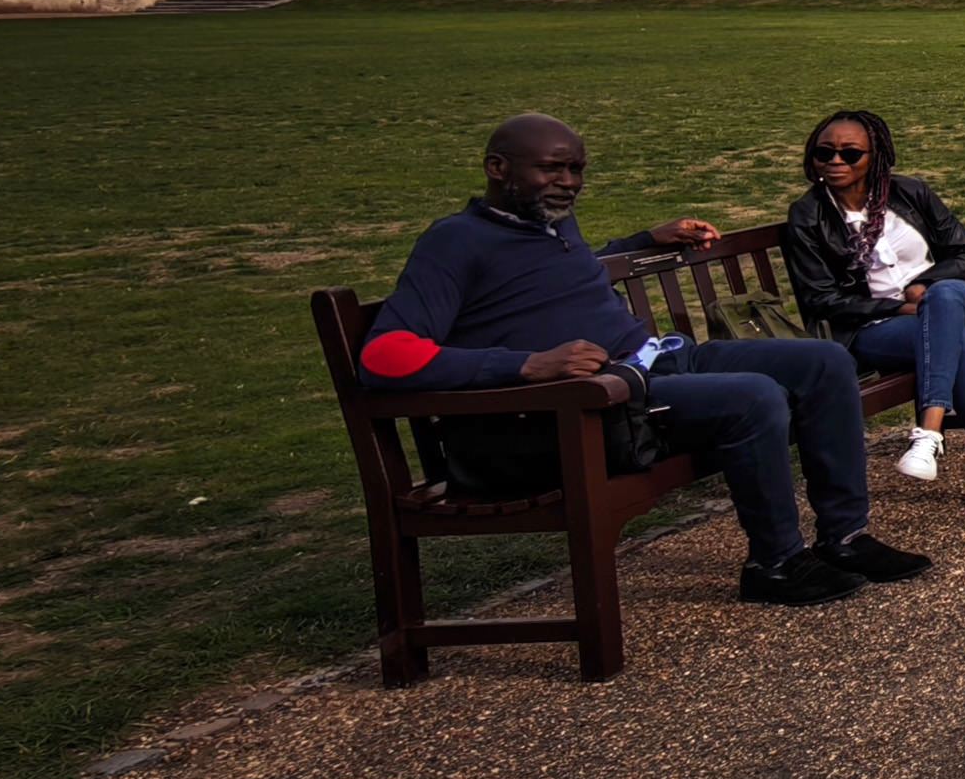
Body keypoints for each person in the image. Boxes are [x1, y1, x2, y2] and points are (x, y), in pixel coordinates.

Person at [363, 114, 928, 608]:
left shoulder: (551, 225)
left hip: (655, 364)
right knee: (754, 396)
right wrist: (526, 365)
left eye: (576, 170)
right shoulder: (455, 242)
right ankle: (776, 564)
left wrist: (643, 240)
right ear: (497, 168)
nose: (568, 182)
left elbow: (559, 277)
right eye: (552, 169)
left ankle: (845, 537)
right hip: (596, 403)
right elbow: (384, 356)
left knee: (824, 362)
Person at [782, 108, 965, 515]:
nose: (835, 161)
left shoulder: (909, 193)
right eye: (824, 153)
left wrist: (926, 284)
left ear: (876, 157)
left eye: (850, 154)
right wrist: (898, 306)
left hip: (952, 303)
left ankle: (928, 433)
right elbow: (820, 299)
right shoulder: (808, 215)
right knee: (958, 343)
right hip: (875, 328)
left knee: (945, 297)